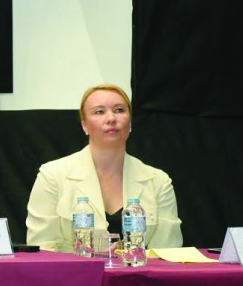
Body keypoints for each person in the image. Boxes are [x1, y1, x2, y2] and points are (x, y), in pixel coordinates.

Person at [26, 84, 182, 251]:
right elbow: (42, 252)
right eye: (99, 112)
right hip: (73, 277)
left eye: (119, 110)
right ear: (84, 125)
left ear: (130, 122)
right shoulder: (52, 176)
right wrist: (92, 262)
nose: (111, 119)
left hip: (137, 276)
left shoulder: (158, 181)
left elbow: (168, 254)